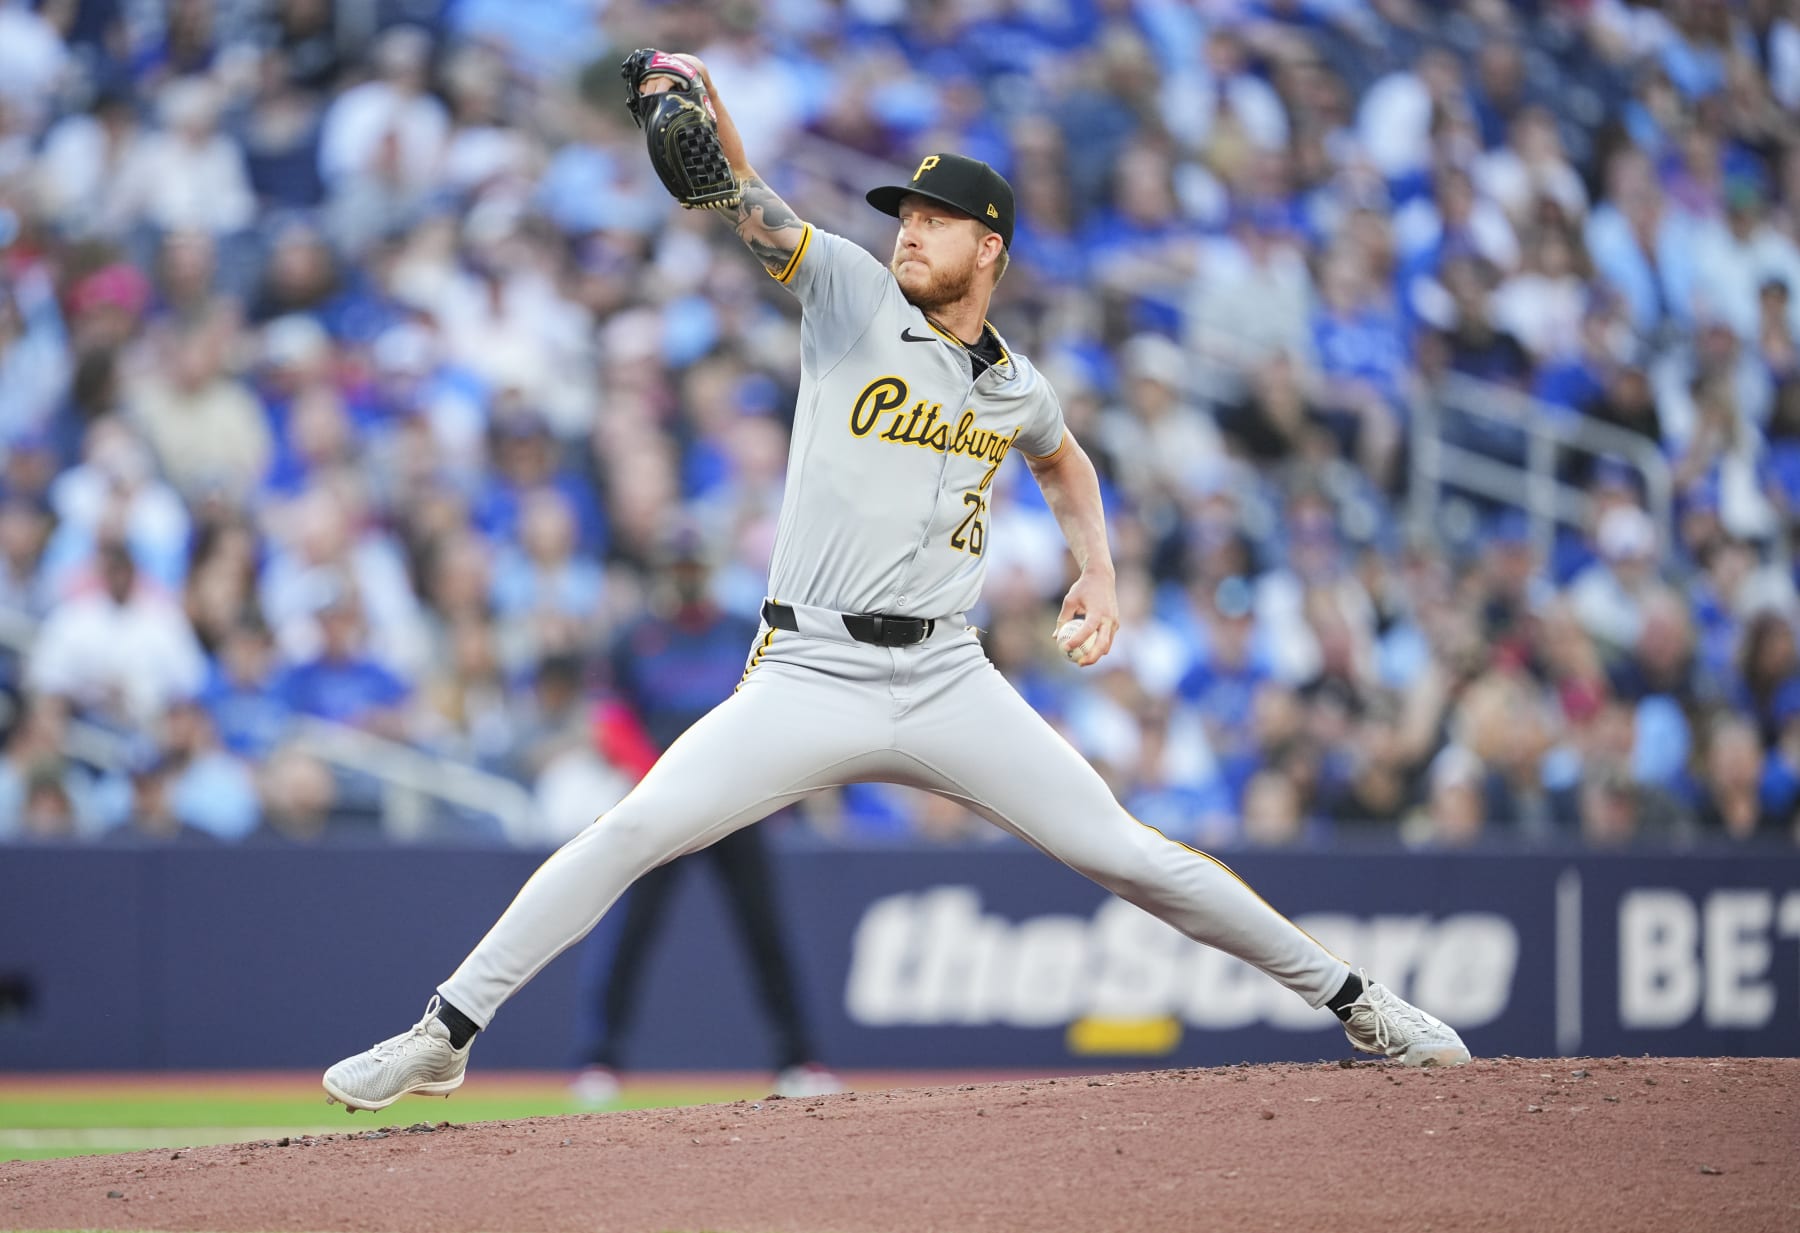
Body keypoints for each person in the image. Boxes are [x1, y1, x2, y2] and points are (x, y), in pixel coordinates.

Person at [322, 52, 1469, 1113]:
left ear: (993, 251)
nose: (910, 232)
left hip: (944, 672)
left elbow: (1066, 464)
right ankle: (447, 1029)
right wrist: (705, 118)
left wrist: (1100, 573)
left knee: (1129, 854)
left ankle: (1358, 1002)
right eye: (906, 215)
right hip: (809, 667)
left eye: (936, 219)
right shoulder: (852, 297)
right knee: (634, 831)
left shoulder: (1018, 386)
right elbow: (748, 203)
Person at [569, 531, 837, 1105]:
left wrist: (768, 786)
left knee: (765, 933)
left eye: (694, 563)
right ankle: (600, 1061)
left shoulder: (742, 630)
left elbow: (776, 708)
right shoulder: (635, 639)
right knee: (630, 933)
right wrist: (658, 778)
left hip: (736, 806)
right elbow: (610, 721)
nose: (686, 574)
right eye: (677, 564)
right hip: (664, 805)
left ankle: (798, 1058)